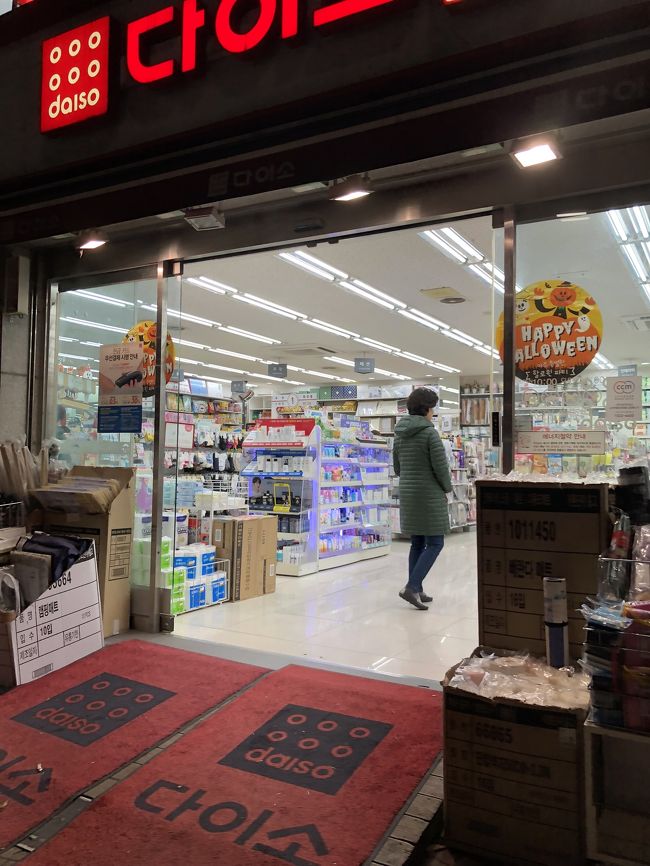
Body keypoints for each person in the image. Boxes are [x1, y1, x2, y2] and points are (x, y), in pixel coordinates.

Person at [393, 387, 452, 610]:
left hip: (408, 492)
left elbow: (397, 467)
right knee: (436, 542)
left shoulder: (399, 435)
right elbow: (441, 468)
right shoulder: (430, 433)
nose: (433, 413)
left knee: (417, 542)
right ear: (427, 409)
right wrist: (447, 488)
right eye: (433, 409)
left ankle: (416, 589)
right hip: (428, 494)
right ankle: (412, 586)